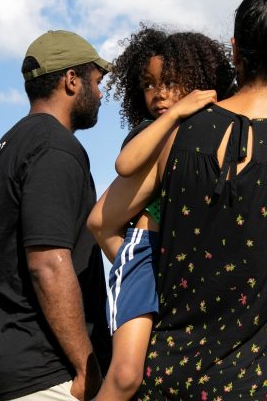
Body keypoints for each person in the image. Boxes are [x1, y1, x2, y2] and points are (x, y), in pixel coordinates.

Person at [88, 0, 267, 400]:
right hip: (265, 386)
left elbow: (103, 221)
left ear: (235, 50)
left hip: (170, 381)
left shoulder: (178, 132)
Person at [0, 30, 113, 401]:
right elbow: (47, 263)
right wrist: (86, 367)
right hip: (46, 376)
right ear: (71, 80)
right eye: (97, 82)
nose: (100, 95)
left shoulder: (2, 151)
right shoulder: (55, 148)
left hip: (2, 374)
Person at [93, 27, 235, 401]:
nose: (159, 93)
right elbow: (124, 164)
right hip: (144, 249)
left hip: (179, 258)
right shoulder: (150, 131)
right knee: (125, 375)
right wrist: (177, 114)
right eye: (149, 84)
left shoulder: (207, 135)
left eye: (170, 82)